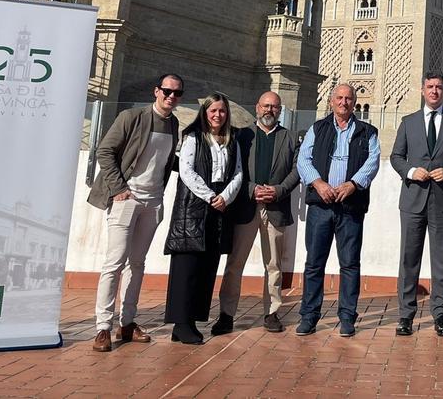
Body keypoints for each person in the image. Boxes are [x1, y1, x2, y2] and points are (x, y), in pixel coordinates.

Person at [88, 73, 183, 352]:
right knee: (114, 263)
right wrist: (119, 188)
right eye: (167, 91)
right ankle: (102, 327)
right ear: (156, 91)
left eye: (177, 93)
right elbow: (105, 151)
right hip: (126, 199)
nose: (171, 97)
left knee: (137, 264)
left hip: (153, 202)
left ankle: (127, 322)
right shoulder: (132, 117)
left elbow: (164, 161)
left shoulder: (174, 123)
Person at [390, 73, 443, 337]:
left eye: (439, 87)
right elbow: (396, 157)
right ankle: (405, 316)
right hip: (413, 199)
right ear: (422, 90)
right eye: (430, 87)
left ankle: (440, 316)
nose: (434, 91)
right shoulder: (408, 122)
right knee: (409, 261)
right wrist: (411, 171)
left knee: (441, 262)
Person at [296, 83, 381, 337]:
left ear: (354, 102)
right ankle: (309, 317)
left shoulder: (367, 132)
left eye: (348, 99)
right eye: (339, 98)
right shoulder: (317, 128)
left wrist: (353, 184)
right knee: (314, 264)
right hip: (321, 206)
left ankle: (347, 318)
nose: (344, 102)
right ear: (331, 101)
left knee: (350, 264)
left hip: (350, 207)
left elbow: (372, 161)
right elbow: (303, 158)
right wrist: (318, 183)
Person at [212, 91, 299, 335]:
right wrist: (251, 190)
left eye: (274, 107)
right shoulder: (241, 136)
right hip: (245, 207)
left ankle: (271, 312)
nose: (269, 110)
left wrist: (278, 190)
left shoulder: (290, 138)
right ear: (257, 107)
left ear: (280, 111)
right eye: (266, 106)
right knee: (234, 264)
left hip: (276, 208)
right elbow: (232, 170)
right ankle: (226, 314)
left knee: (273, 264)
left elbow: (296, 170)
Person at [164, 92, 244, 344]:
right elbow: (186, 171)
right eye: (213, 111)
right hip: (194, 206)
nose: (218, 115)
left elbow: (238, 172)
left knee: (208, 266)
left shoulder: (233, 141)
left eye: (222, 111)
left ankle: (193, 320)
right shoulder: (194, 137)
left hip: (219, 207)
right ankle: (181, 322)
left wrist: (225, 197)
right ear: (205, 113)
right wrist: (210, 196)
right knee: (187, 266)